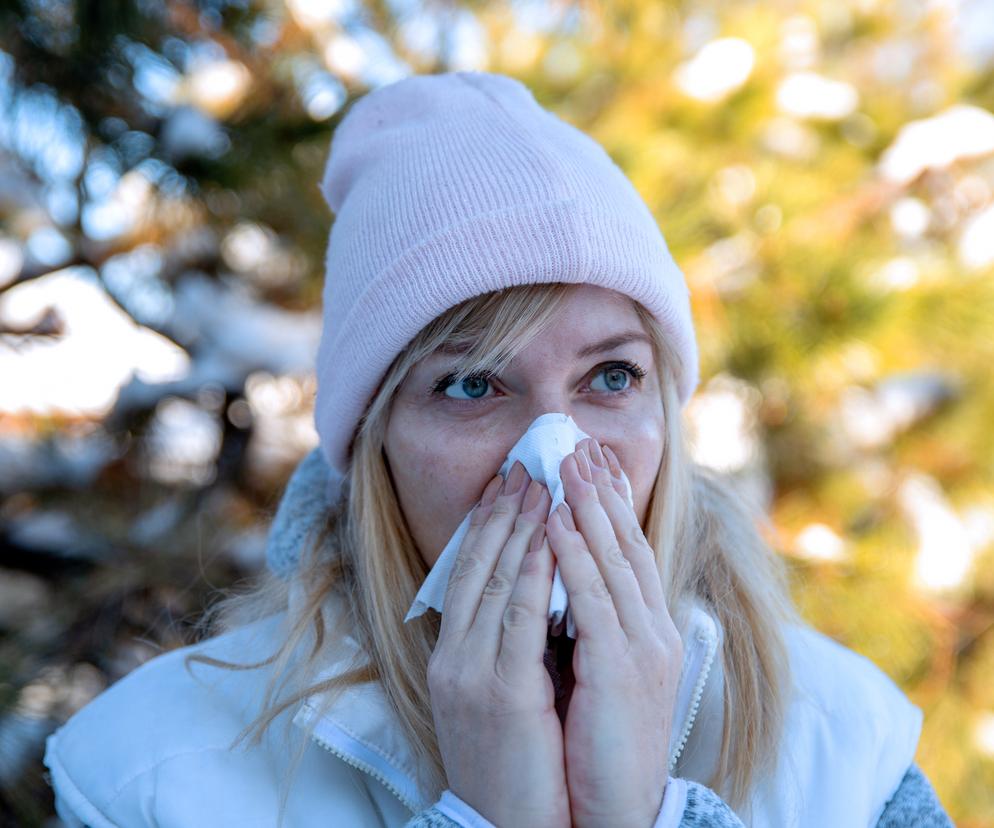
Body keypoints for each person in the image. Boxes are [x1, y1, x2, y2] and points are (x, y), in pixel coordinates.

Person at [43, 71, 954, 828]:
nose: (555, 458)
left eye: (612, 378)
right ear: (374, 441)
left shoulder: (838, 744)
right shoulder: (151, 774)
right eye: (473, 384)